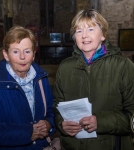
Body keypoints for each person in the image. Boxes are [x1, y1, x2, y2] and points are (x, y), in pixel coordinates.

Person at [53, 9, 134, 150]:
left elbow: (132, 115)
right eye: (79, 31)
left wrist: (101, 122)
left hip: (110, 144)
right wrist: (62, 124)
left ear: (103, 35)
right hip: (73, 145)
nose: (84, 35)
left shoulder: (123, 66)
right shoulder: (65, 67)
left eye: (90, 29)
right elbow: (56, 106)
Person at [0, 26, 56, 150]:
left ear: (33, 55)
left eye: (27, 51)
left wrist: (49, 123)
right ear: (6, 55)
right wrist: (27, 133)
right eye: (16, 51)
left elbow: (51, 110)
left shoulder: (41, 79)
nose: (22, 57)